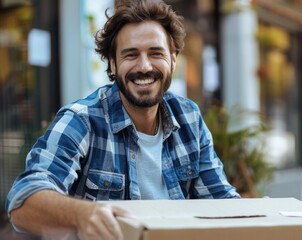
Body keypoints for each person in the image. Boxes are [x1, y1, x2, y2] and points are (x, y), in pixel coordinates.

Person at [5, 1, 240, 239]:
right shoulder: (82, 120)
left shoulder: (189, 117)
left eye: (156, 53)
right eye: (131, 55)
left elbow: (220, 199)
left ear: (173, 59)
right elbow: (23, 201)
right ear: (113, 64)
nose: (145, 66)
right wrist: (84, 215)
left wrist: (263, 214)